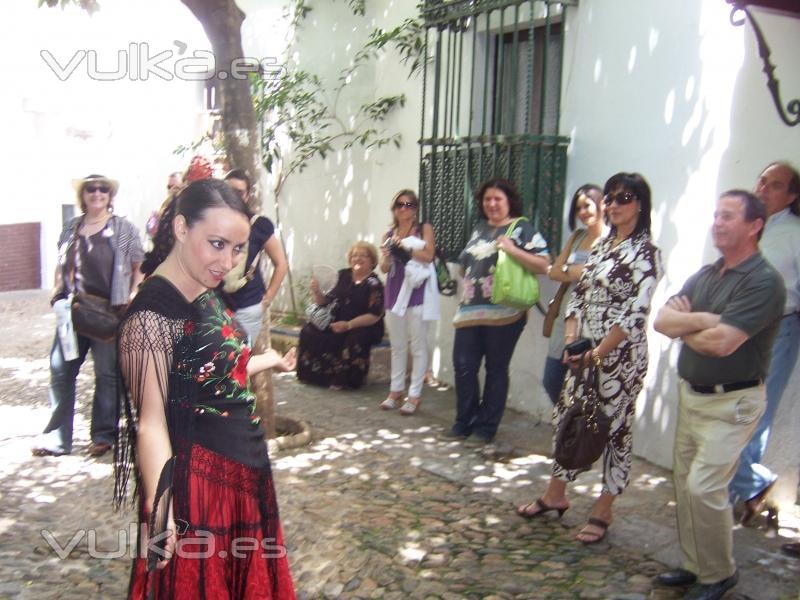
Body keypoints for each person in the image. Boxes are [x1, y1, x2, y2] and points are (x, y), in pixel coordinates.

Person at [116, 178, 296, 599]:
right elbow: (151, 425)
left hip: (245, 474)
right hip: (201, 490)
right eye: (217, 244)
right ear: (181, 228)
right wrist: (161, 514)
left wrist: (266, 361)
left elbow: (213, 371)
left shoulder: (205, 289)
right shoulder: (150, 318)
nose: (229, 262)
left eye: (237, 249)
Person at [516, 172, 663, 546]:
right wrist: (572, 342)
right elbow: (578, 296)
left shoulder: (646, 252)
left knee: (615, 430)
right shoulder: (601, 246)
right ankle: (555, 493)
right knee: (569, 420)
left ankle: (604, 508)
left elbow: (635, 314)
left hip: (620, 356)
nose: (613, 205)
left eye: (624, 198)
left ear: (640, 204)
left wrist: (598, 353)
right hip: (584, 348)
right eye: (610, 198)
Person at [653, 190, 784, 600]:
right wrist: (703, 320)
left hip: (734, 403)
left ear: (754, 226)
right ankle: (697, 566)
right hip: (693, 395)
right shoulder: (708, 275)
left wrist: (685, 325)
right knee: (685, 483)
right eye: (716, 215)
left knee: (703, 486)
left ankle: (720, 574)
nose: (717, 223)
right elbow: (660, 320)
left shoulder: (764, 282)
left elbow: (723, 344)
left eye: (727, 216)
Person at [33, 174, 144, 458]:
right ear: (82, 195)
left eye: (103, 189)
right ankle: (57, 439)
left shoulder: (123, 229)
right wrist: (57, 290)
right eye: (91, 189)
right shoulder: (71, 228)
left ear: (110, 195)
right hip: (75, 311)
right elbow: (61, 264)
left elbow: (138, 266)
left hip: (109, 313)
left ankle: (103, 436)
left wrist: (133, 294)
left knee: (107, 375)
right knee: (61, 371)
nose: (97, 193)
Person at [440, 178, 550, 447]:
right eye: (487, 199)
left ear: (509, 200)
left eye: (497, 199)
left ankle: (486, 428)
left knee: (495, 369)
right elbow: (466, 264)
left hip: (505, 313)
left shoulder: (522, 228)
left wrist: (512, 249)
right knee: (464, 366)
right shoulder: (479, 228)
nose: (491, 204)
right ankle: (464, 421)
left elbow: (545, 263)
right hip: (469, 312)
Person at [729, 162, 800, 525]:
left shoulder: (794, 234)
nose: (764, 188)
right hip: (738, 331)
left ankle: (733, 497)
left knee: (752, 418)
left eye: (775, 185)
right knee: (734, 413)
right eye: (762, 180)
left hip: (777, 331)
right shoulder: (750, 226)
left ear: (791, 196)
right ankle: (752, 487)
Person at [542, 184, 604, 404]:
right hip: (565, 318)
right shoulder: (577, 237)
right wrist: (577, 271)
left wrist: (572, 271)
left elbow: (602, 277)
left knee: (584, 385)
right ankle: (566, 426)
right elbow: (555, 272)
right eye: (579, 208)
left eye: (587, 205)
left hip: (593, 323)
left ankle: (574, 431)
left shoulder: (611, 241)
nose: (583, 212)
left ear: (602, 204)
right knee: (552, 380)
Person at [378, 189, 439, 415]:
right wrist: (387, 254)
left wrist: (405, 249)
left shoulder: (423, 229)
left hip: (417, 291)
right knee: (398, 345)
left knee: (418, 344)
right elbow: (384, 268)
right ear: (394, 209)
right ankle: (395, 391)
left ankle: (414, 394)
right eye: (400, 205)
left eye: (410, 204)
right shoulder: (389, 233)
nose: (405, 208)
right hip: (395, 291)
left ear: (416, 208)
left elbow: (429, 256)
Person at [296, 241, 385, 390]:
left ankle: (344, 380)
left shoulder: (374, 283)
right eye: (355, 255)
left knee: (354, 338)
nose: (358, 259)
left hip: (364, 326)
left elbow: (374, 315)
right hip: (337, 321)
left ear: (372, 260)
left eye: (363, 255)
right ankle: (313, 376)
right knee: (308, 330)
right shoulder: (343, 275)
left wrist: (349, 325)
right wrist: (317, 291)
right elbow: (325, 302)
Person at [221, 169, 288, 346]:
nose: (232, 196)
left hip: (248, 305)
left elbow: (281, 264)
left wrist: (267, 299)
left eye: (239, 192)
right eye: (228, 190)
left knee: (238, 359)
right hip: (216, 304)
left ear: (247, 195)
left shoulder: (259, 224)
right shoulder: (213, 222)